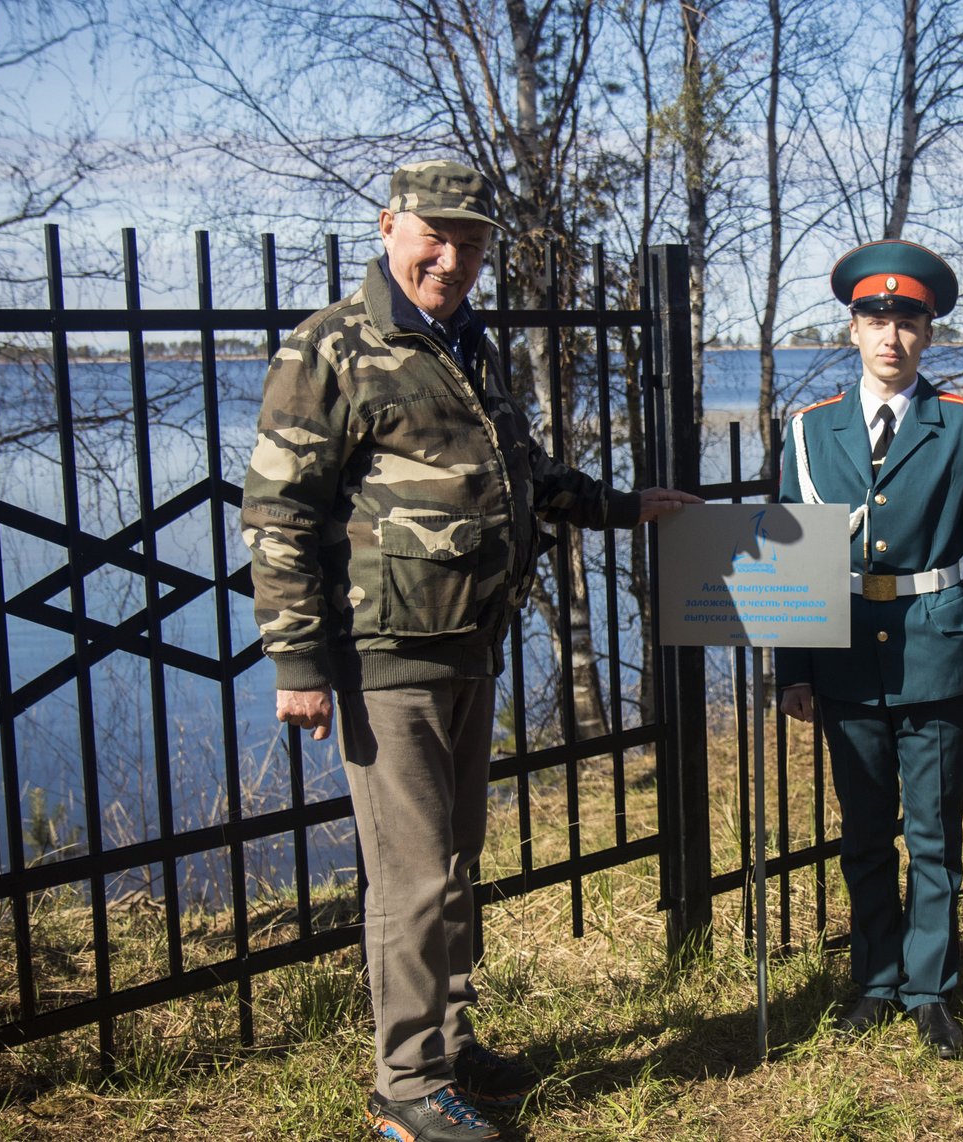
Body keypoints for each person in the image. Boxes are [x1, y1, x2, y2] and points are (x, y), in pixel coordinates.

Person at [241, 159, 698, 1142]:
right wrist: (296, 663)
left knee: (452, 862)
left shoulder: (467, 345)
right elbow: (278, 511)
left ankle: (448, 1042)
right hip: (380, 655)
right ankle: (404, 1080)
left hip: (467, 643)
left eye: (471, 240)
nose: (450, 256)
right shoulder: (330, 347)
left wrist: (625, 506)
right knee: (407, 875)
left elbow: (521, 475)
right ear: (390, 224)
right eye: (433, 234)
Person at [776, 239, 963, 1060]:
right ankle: (876, 981)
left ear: (928, 332)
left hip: (939, 655)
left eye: (907, 320)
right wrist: (795, 671)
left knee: (938, 835)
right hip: (843, 658)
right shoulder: (811, 432)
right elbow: (791, 556)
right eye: (875, 318)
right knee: (865, 833)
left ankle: (932, 990)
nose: (891, 335)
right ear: (852, 329)